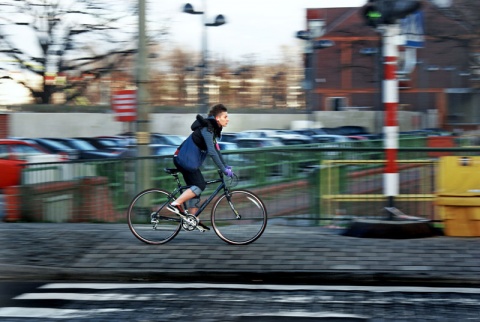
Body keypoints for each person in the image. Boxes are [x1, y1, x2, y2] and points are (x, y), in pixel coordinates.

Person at [168, 104, 234, 231]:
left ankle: (191, 219)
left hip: (187, 161)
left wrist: (225, 166)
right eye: (225, 116)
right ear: (217, 118)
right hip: (184, 160)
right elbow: (212, 152)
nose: (228, 119)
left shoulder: (212, 130)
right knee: (200, 185)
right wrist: (224, 169)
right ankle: (175, 204)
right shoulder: (207, 129)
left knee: (195, 189)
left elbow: (217, 151)